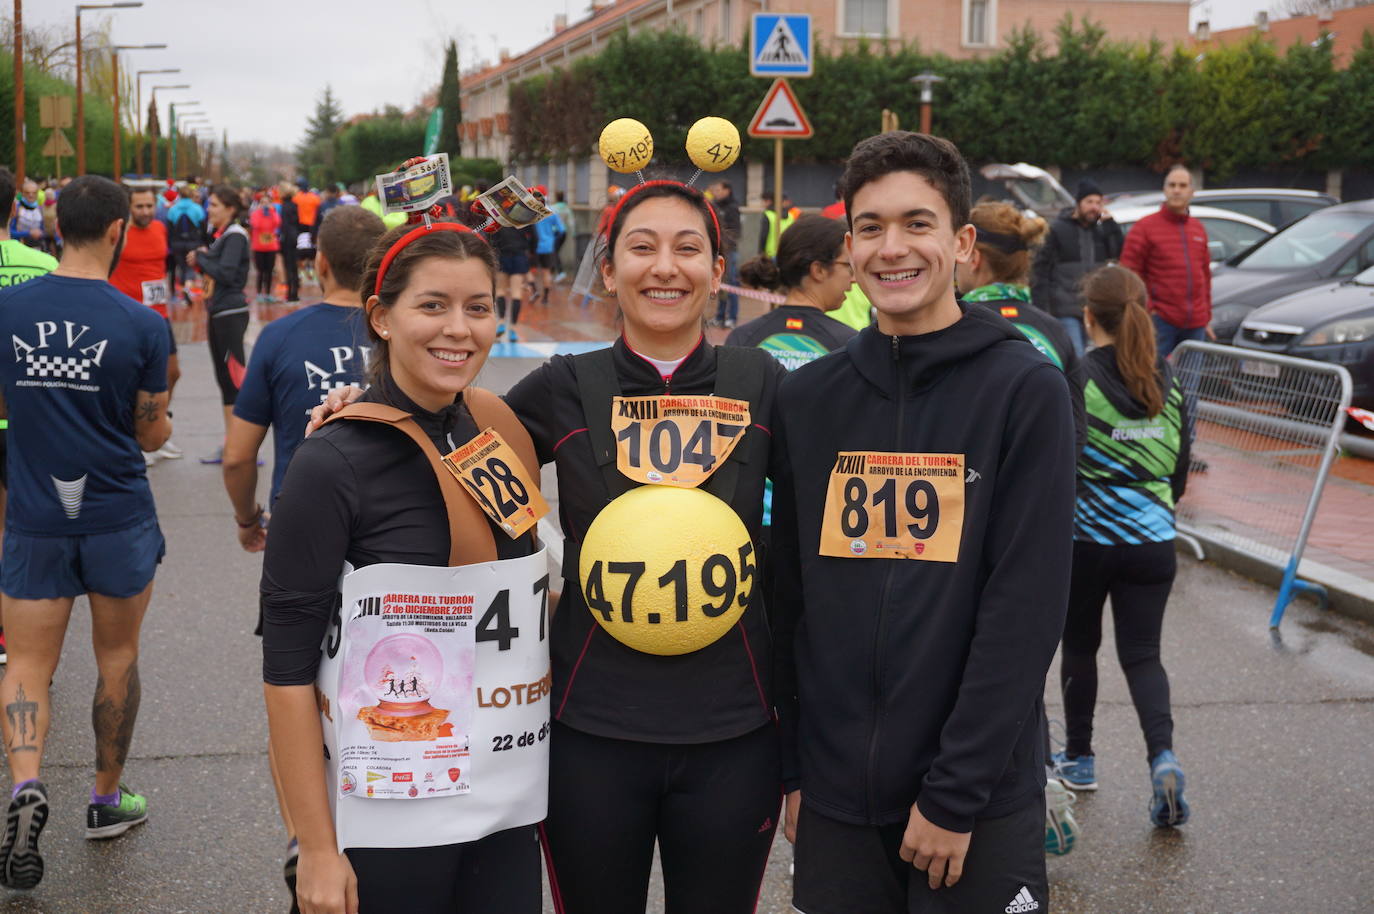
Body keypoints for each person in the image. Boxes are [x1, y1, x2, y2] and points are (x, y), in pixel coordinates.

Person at [770, 132, 1075, 914]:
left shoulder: (1023, 390)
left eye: (916, 224)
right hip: (835, 799)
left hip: (972, 801)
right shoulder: (808, 403)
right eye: (870, 228)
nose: (891, 247)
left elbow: (1025, 608)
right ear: (849, 246)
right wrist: (793, 773)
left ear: (962, 243)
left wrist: (955, 795)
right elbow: (788, 601)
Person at [503, 179, 786, 914]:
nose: (666, 267)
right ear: (607, 270)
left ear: (717, 270)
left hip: (737, 730)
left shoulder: (766, 384)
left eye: (688, 248)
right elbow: (451, 461)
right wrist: (364, 407)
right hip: (589, 731)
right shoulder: (560, 386)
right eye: (641, 247)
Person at [262, 219, 546, 914]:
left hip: (503, 807)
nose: (460, 329)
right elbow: (287, 670)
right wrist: (317, 849)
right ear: (381, 318)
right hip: (388, 819)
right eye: (432, 306)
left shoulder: (494, 424)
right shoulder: (331, 462)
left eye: (478, 308)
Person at [0, 175, 172, 890]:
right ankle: (105, 798)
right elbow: (151, 428)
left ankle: (25, 787)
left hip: (35, 513)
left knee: (29, 664)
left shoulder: (6, 309)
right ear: (115, 232)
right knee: (117, 655)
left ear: (52, 225)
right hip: (115, 514)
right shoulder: (140, 323)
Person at [1050, 263, 1191, 829]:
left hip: (1087, 539)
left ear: (1089, 316)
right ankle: (1164, 757)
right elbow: (1180, 470)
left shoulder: (1079, 377)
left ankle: (1080, 759)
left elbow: (1064, 458)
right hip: (1154, 540)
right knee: (1144, 656)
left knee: (1080, 648)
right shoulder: (1168, 379)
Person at [0, 168, 59, 666]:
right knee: (20, 535)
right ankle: (19, 641)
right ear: (15, 209)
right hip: (29, 419)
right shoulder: (43, 264)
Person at [110, 186, 185, 464]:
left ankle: (156, 428)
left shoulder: (160, 229)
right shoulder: (119, 233)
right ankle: (136, 439)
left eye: (149, 206)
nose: (145, 211)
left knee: (172, 372)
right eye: (139, 206)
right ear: (129, 208)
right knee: (134, 379)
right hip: (129, 315)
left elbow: (161, 268)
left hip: (159, 315)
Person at [729, 215, 855, 367]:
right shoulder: (849, 347)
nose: (854, 278)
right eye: (848, 266)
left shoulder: (742, 338)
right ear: (819, 270)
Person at [1119, 165, 1212, 356]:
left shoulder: (1198, 229)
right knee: (1154, 382)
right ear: (1164, 190)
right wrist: (1149, 310)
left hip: (1196, 324)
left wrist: (1206, 316)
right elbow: (1129, 273)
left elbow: (1205, 275)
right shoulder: (1144, 227)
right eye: (1172, 185)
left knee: (1188, 385)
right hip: (1160, 322)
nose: (1177, 190)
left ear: (1192, 192)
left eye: (1182, 185)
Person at [188, 185, 251, 462]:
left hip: (230, 313)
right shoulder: (222, 236)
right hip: (218, 312)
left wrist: (200, 258)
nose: (208, 210)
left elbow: (226, 273)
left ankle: (241, 448)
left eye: (213, 205)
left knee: (234, 381)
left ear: (230, 209)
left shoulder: (235, 235)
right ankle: (232, 444)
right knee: (225, 381)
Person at [1031, 178, 1124, 356]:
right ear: (1078, 203)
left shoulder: (1102, 230)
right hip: (1065, 309)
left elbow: (1119, 254)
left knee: (1097, 359)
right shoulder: (1057, 229)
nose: (1094, 207)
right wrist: (1040, 308)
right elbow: (1040, 268)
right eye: (1089, 202)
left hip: (1095, 310)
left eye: (1098, 202)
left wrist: (1111, 225)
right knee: (1077, 357)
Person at [709, 180, 743, 328]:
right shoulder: (715, 206)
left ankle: (732, 317)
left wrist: (725, 243)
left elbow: (736, 231)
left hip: (730, 252)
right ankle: (720, 316)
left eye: (718, 190)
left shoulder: (732, 208)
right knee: (720, 285)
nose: (715, 193)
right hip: (719, 251)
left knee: (732, 285)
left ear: (727, 191)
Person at [166, 184, 207, 297]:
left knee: (182, 267)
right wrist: (204, 243)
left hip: (176, 243)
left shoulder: (173, 209)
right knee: (190, 267)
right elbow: (203, 228)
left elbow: (169, 229)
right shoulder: (197, 208)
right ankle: (187, 290)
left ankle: (183, 290)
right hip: (193, 242)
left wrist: (169, 244)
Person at [491, 224, 530, 343]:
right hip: (519, 256)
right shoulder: (526, 218)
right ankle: (513, 329)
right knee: (516, 292)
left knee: (500, 290)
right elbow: (533, 238)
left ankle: (501, 322)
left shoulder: (500, 219)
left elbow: (492, 239)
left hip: (502, 255)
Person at [530, 191, 564, 306]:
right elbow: (561, 230)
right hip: (548, 246)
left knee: (531, 271)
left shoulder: (531, 213)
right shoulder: (551, 213)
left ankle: (534, 291)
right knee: (546, 272)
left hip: (534, 247)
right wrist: (553, 238)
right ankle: (545, 298)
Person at [250, 195, 283, 303]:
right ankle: (259, 293)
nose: (265, 204)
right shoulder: (255, 214)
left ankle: (268, 294)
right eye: (263, 202)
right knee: (260, 271)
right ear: (259, 204)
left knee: (269, 272)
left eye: (267, 202)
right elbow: (256, 224)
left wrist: (271, 212)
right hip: (258, 246)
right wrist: (261, 213)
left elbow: (277, 223)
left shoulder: (273, 214)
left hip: (271, 246)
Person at [278, 184, 302, 302]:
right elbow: (297, 222)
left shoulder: (284, 207)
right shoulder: (294, 205)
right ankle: (295, 291)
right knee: (294, 266)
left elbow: (284, 224)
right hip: (294, 237)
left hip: (287, 238)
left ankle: (290, 293)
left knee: (288, 267)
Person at [11, 180, 48, 253]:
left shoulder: (40, 209)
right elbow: (10, 232)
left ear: (37, 194)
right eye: (27, 193)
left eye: (34, 193)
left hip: (37, 248)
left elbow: (43, 230)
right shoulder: (16, 209)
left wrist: (41, 234)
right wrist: (28, 233)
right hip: (20, 248)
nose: (31, 195)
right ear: (22, 193)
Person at [759, 190, 798, 258]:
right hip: (786, 253)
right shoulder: (790, 216)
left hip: (771, 253)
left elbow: (764, 236)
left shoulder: (768, 215)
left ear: (770, 201)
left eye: (764, 201)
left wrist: (760, 252)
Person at [550, 191, 573, 281]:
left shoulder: (553, 208)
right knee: (555, 252)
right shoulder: (567, 208)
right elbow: (571, 222)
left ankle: (560, 272)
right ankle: (552, 272)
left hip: (555, 232)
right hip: (564, 233)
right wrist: (573, 233)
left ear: (556, 197)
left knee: (554, 252)